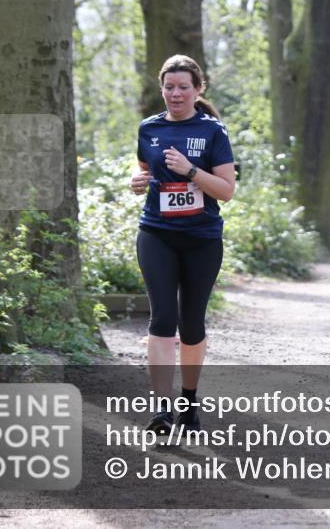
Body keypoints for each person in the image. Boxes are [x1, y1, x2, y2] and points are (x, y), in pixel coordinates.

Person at [129, 54, 236, 434]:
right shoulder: (149, 128)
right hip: (156, 232)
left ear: (197, 90)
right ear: (162, 89)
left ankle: (189, 402)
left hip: (202, 239)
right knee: (162, 319)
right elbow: (145, 169)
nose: (175, 94)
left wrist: (191, 171)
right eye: (169, 87)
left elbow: (226, 191)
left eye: (183, 87)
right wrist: (137, 180)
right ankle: (161, 408)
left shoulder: (213, 132)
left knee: (191, 325)